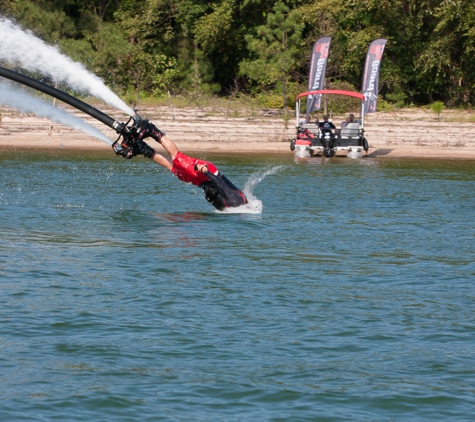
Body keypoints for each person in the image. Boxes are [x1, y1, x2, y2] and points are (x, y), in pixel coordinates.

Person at [115, 120, 248, 211]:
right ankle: (153, 131)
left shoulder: (233, 211)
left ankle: (143, 149)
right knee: (177, 158)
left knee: (174, 169)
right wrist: (204, 170)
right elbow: (220, 184)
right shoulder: (236, 202)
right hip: (206, 173)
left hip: (201, 182)